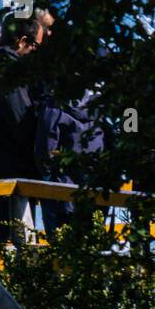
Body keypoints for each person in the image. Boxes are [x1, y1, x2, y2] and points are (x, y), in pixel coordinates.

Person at [0, 14, 45, 244]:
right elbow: (21, 122)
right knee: (21, 241)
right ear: (22, 41)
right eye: (36, 46)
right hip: (13, 173)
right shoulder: (8, 74)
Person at [34, 89, 106, 233]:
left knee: (60, 239)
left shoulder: (55, 106)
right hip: (95, 186)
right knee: (91, 236)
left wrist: (45, 172)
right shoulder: (100, 105)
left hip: (62, 186)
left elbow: (46, 145)